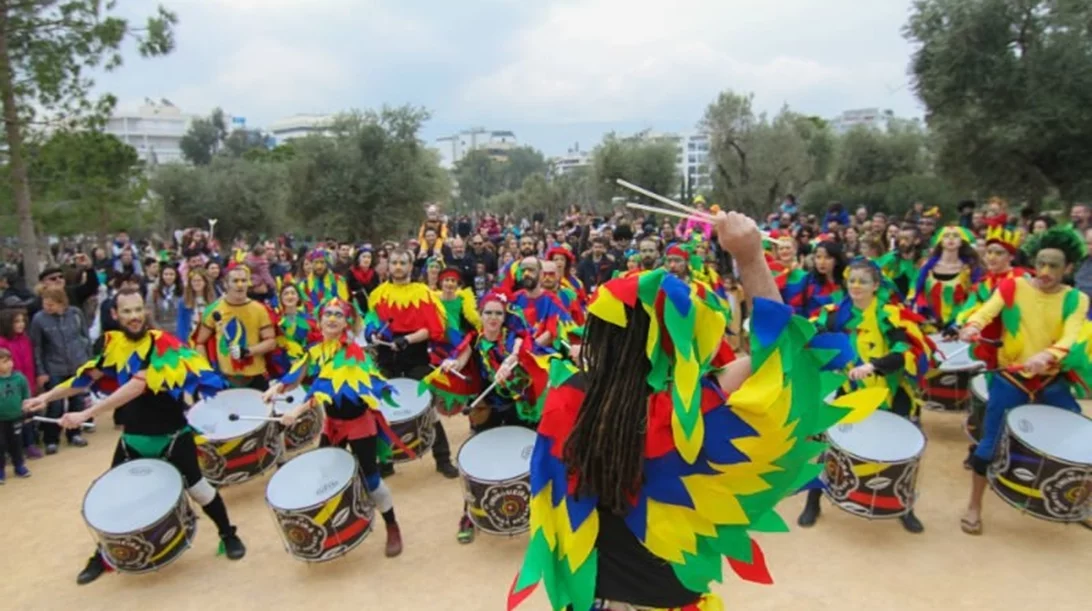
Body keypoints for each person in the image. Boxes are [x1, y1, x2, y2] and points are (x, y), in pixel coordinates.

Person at [507, 212, 883, 611]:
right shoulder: (685, 413)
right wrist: (750, 257)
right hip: (667, 597)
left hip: (591, 597)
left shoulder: (565, 400)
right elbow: (777, 355)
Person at [22, 288, 245, 584]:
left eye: (138, 309)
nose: (134, 316)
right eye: (127, 311)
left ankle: (228, 534)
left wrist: (86, 414)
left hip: (172, 436)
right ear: (115, 315)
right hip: (133, 438)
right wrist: (46, 396)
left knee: (200, 490)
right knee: (113, 496)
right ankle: (103, 555)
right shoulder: (115, 346)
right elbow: (87, 377)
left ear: (146, 310)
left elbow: (137, 385)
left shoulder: (163, 345)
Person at [958, 226, 1092, 535]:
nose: (1044, 271)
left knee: (1080, 438)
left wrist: (1047, 355)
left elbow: (1071, 336)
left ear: (1069, 267)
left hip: (1051, 379)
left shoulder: (1077, 299)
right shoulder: (1012, 286)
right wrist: (971, 326)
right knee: (988, 445)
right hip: (1011, 378)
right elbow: (984, 313)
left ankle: (1081, 503)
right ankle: (974, 506)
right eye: (1040, 263)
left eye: (1054, 265)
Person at [799, 258, 935, 533]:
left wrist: (874, 365)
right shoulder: (835, 314)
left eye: (863, 281)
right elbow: (810, 333)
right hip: (850, 391)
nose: (856, 286)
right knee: (830, 446)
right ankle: (813, 500)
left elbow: (905, 350)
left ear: (876, 286)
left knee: (899, 450)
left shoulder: (891, 314)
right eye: (852, 281)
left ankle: (904, 506)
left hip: (889, 393)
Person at [264, 297, 403, 557]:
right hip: (334, 425)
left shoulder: (352, 353)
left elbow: (324, 388)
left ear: (346, 323)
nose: (331, 318)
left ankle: (392, 525)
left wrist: (297, 410)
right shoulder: (316, 350)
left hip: (359, 424)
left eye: (338, 315)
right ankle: (338, 526)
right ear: (319, 320)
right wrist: (277, 388)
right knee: (327, 475)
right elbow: (298, 372)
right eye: (327, 313)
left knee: (372, 481)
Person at [430, 291, 556, 544]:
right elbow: (461, 357)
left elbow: (521, 355)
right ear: (480, 314)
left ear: (505, 315)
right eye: (488, 312)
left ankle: (541, 512)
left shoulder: (514, 340)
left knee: (529, 458)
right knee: (479, 459)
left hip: (518, 407)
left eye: (498, 313)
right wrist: (450, 365)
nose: (493, 318)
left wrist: (511, 363)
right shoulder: (474, 340)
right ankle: (469, 514)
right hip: (486, 407)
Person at [363, 248, 454, 478]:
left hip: (414, 353)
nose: (398, 267)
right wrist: (372, 332)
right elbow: (370, 321)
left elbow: (434, 328)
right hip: (386, 356)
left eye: (402, 262)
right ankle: (385, 462)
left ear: (411, 266)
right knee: (383, 410)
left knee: (427, 408)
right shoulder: (378, 294)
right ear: (388, 266)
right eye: (394, 262)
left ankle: (443, 459)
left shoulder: (423, 293)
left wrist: (407, 340)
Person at [193, 265, 277, 390]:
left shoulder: (260, 309)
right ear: (225, 284)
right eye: (235, 281)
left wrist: (248, 351)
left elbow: (271, 342)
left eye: (243, 281)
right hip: (224, 379)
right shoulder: (213, 310)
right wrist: (206, 372)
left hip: (256, 377)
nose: (240, 285)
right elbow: (200, 342)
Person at [29, 287, 92, 453]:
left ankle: (74, 433)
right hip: (54, 367)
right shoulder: (39, 319)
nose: (47, 308)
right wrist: (41, 371)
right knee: (55, 404)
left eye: (51, 304)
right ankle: (51, 438)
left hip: (78, 364)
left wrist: (90, 363)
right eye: (45, 304)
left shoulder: (76, 314)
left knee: (77, 401)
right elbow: (37, 348)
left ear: (62, 303)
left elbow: (85, 337)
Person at [912, 225, 982, 332]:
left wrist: (960, 321)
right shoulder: (926, 267)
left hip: (958, 325)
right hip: (929, 324)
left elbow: (975, 297)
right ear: (940, 241)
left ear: (961, 241)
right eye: (946, 236)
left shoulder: (971, 268)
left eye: (956, 236)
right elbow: (915, 291)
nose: (951, 239)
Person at [0, 309, 41, 459]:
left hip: (26, 381)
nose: (21, 324)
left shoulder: (25, 339)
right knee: (11, 420)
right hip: (9, 385)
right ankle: (12, 450)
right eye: (16, 321)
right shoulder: (2, 343)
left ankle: (30, 444)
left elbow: (30, 360)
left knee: (28, 413)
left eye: (22, 321)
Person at [0, 347, 31, 482]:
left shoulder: (19, 378)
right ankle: (0, 470)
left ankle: (19, 465)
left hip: (16, 417)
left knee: (16, 443)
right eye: (4, 361)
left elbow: (26, 395)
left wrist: (26, 409)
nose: (9, 364)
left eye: (10, 360)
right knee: (1, 444)